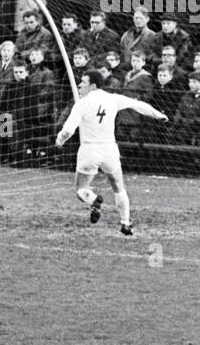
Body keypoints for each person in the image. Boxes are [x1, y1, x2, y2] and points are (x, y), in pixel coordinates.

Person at [53, 69, 169, 235]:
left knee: (80, 189)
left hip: (89, 149)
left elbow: (68, 129)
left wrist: (60, 140)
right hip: (109, 150)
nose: (79, 84)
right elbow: (138, 105)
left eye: (83, 82)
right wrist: (159, 116)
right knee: (119, 187)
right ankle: (126, 223)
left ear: (92, 85)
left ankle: (94, 200)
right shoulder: (112, 98)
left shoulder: (82, 103)